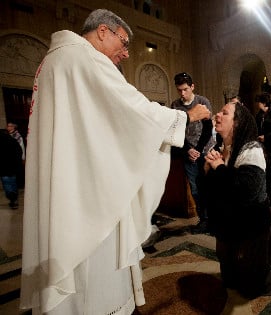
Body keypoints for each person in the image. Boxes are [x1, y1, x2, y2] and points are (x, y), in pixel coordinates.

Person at [20, 9, 210, 315]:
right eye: (122, 43)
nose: (124, 54)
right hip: (90, 188)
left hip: (69, 177)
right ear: (103, 31)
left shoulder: (54, 60)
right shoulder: (85, 59)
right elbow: (132, 109)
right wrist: (186, 116)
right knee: (95, 267)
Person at [203, 101, 271, 298]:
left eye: (224, 113)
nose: (217, 115)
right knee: (230, 280)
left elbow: (246, 191)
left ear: (237, 123)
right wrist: (208, 169)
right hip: (229, 227)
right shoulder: (223, 147)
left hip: (250, 229)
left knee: (250, 288)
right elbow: (212, 190)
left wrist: (219, 167)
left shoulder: (251, 149)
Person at [171, 72, 213, 223]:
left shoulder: (202, 101)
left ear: (192, 86)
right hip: (188, 152)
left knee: (209, 186)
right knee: (195, 188)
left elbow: (208, 128)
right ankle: (204, 220)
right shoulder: (175, 105)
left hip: (206, 150)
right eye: (179, 90)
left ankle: (214, 219)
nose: (182, 93)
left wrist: (199, 149)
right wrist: (188, 149)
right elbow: (177, 131)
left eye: (185, 89)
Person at [0, 129, 22, 209]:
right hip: (13, 168)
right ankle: (14, 199)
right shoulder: (13, 141)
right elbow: (19, 152)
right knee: (13, 183)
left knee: (7, 184)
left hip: (3, 169)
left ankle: (12, 198)